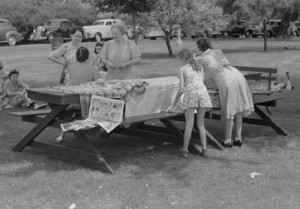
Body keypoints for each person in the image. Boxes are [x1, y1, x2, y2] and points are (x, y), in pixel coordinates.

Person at [195, 37, 254, 147]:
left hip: (226, 79)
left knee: (229, 108)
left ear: (200, 48)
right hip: (237, 75)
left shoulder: (201, 58)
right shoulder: (217, 52)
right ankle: (238, 138)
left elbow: (192, 64)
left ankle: (228, 140)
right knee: (238, 108)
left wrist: (195, 56)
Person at [170, 48, 213, 159]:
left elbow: (181, 90)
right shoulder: (200, 67)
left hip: (191, 94)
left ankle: (185, 150)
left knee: (189, 124)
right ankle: (205, 149)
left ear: (182, 58)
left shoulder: (183, 69)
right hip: (203, 94)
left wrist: (173, 104)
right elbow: (201, 82)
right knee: (201, 124)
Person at [56, 46, 99, 142]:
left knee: (64, 111)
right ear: (87, 57)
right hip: (85, 103)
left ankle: (62, 134)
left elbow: (68, 83)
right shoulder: (93, 69)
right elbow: (100, 84)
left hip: (69, 100)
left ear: (76, 56)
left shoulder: (70, 68)